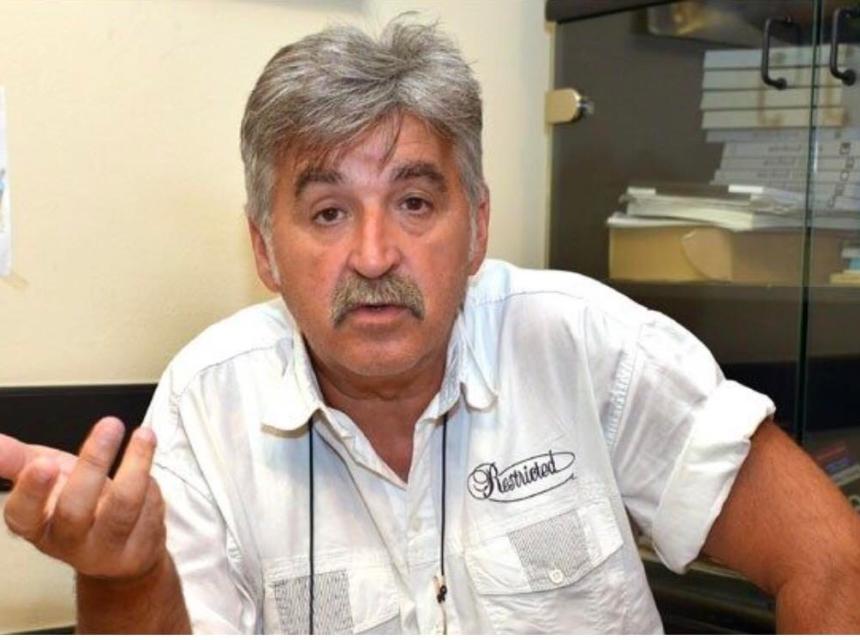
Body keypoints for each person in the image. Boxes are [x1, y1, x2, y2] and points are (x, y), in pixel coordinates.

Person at [2, 16, 860, 634]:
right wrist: (126, 577)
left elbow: (830, 560)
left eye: (414, 202)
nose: (375, 254)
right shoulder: (207, 404)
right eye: (329, 212)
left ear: (477, 226)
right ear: (265, 248)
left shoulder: (583, 341)